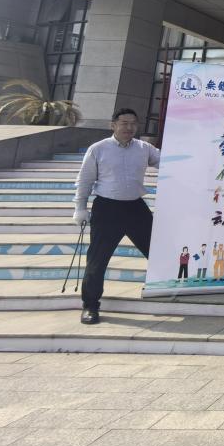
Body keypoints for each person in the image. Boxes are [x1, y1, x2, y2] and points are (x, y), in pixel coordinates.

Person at [73, 107, 160, 325]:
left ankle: (164, 289)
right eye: (124, 123)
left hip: (135, 207)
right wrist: (80, 207)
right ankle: (90, 305)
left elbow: (169, 163)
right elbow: (85, 180)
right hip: (107, 209)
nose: (129, 127)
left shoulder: (144, 148)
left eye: (133, 123)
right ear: (113, 125)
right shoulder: (98, 149)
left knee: (158, 251)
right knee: (97, 259)